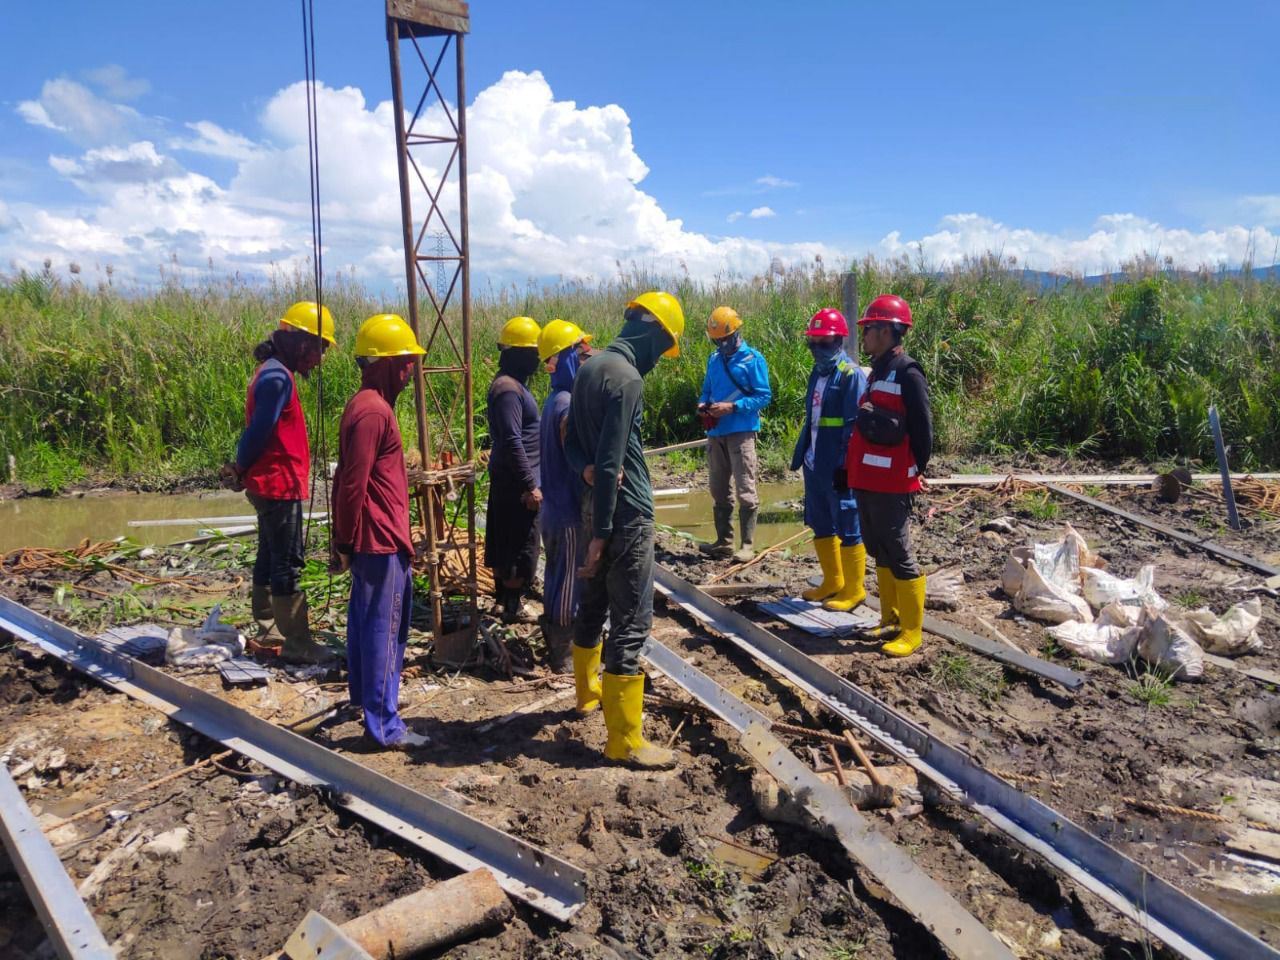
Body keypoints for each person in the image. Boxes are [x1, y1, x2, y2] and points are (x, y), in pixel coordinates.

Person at [564, 291, 684, 769]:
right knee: (631, 621)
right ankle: (625, 741)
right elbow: (613, 459)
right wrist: (603, 534)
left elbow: (573, 445)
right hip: (626, 515)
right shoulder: (628, 378)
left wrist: (585, 474)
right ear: (654, 332)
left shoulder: (590, 367)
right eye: (665, 346)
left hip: (596, 505)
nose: (660, 358)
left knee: (592, 606)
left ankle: (586, 694)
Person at [330, 314, 431, 749]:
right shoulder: (373, 411)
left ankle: (371, 706)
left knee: (371, 626)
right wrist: (345, 542)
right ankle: (383, 725)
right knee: (383, 632)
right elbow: (352, 482)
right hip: (379, 539)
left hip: (378, 537)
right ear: (384, 363)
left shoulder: (368, 406)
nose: (410, 372)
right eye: (405, 362)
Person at [224, 301, 334, 664]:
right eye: (320, 348)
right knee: (286, 560)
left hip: (273, 482)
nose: (319, 360)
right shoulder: (275, 377)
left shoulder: (273, 371)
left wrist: (243, 469)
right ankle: (298, 642)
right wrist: (240, 466)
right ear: (301, 342)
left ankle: (268, 626)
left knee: (270, 554)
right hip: (276, 483)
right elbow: (258, 430)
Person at [846, 294, 933, 657]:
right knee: (877, 546)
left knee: (898, 550)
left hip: (893, 481)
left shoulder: (908, 372)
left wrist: (914, 471)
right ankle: (890, 618)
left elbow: (923, 431)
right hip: (867, 478)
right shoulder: (877, 371)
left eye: (868, 329)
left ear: (885, 332)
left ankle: (912, 632)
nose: (863, 335)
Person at [789, 308, 869, 613]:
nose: (816, 349)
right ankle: (832, 581)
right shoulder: (817, 373)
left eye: (823, 343)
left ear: (838, 342)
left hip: (837, 465)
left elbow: (854, 426)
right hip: (814, 461)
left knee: (848, 522)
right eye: (813, 343)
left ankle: (854, 589)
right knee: (819, 521)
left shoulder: (851, 375)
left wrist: (846, 466)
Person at [536, 319, 594, 674]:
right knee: (569, 583)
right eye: (579, 352)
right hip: (567, 510)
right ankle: (563, 653)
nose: (584, 357)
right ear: (564, 358)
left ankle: (557, 645)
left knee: (557, 576)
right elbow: (573, 457)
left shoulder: (553, 399)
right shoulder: (567, 405)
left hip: (552, 509)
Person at [696, 306, 772, 562]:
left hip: (742, 432)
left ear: (736, 333)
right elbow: (707, 390)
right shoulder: (714, 359)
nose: (722, 345)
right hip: (716, 432)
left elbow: (764, 396)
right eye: (717, 341)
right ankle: (723, 542)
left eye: (725, 339)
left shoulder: (753, 359)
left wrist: (733, 407)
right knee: (719, 489)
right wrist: (703, 405)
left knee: (745, 489)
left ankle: (747, 545)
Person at [485, 316, 543, 623]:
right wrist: (530, 483)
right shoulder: (508, 389)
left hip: (513, 480)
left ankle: (505, 603)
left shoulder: (512, 385)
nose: (537, 360)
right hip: (516, 484)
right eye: (533, 354)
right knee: (517, 544)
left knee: (511, 540)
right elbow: (511, 440)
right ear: (519, 355)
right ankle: (511, 606)